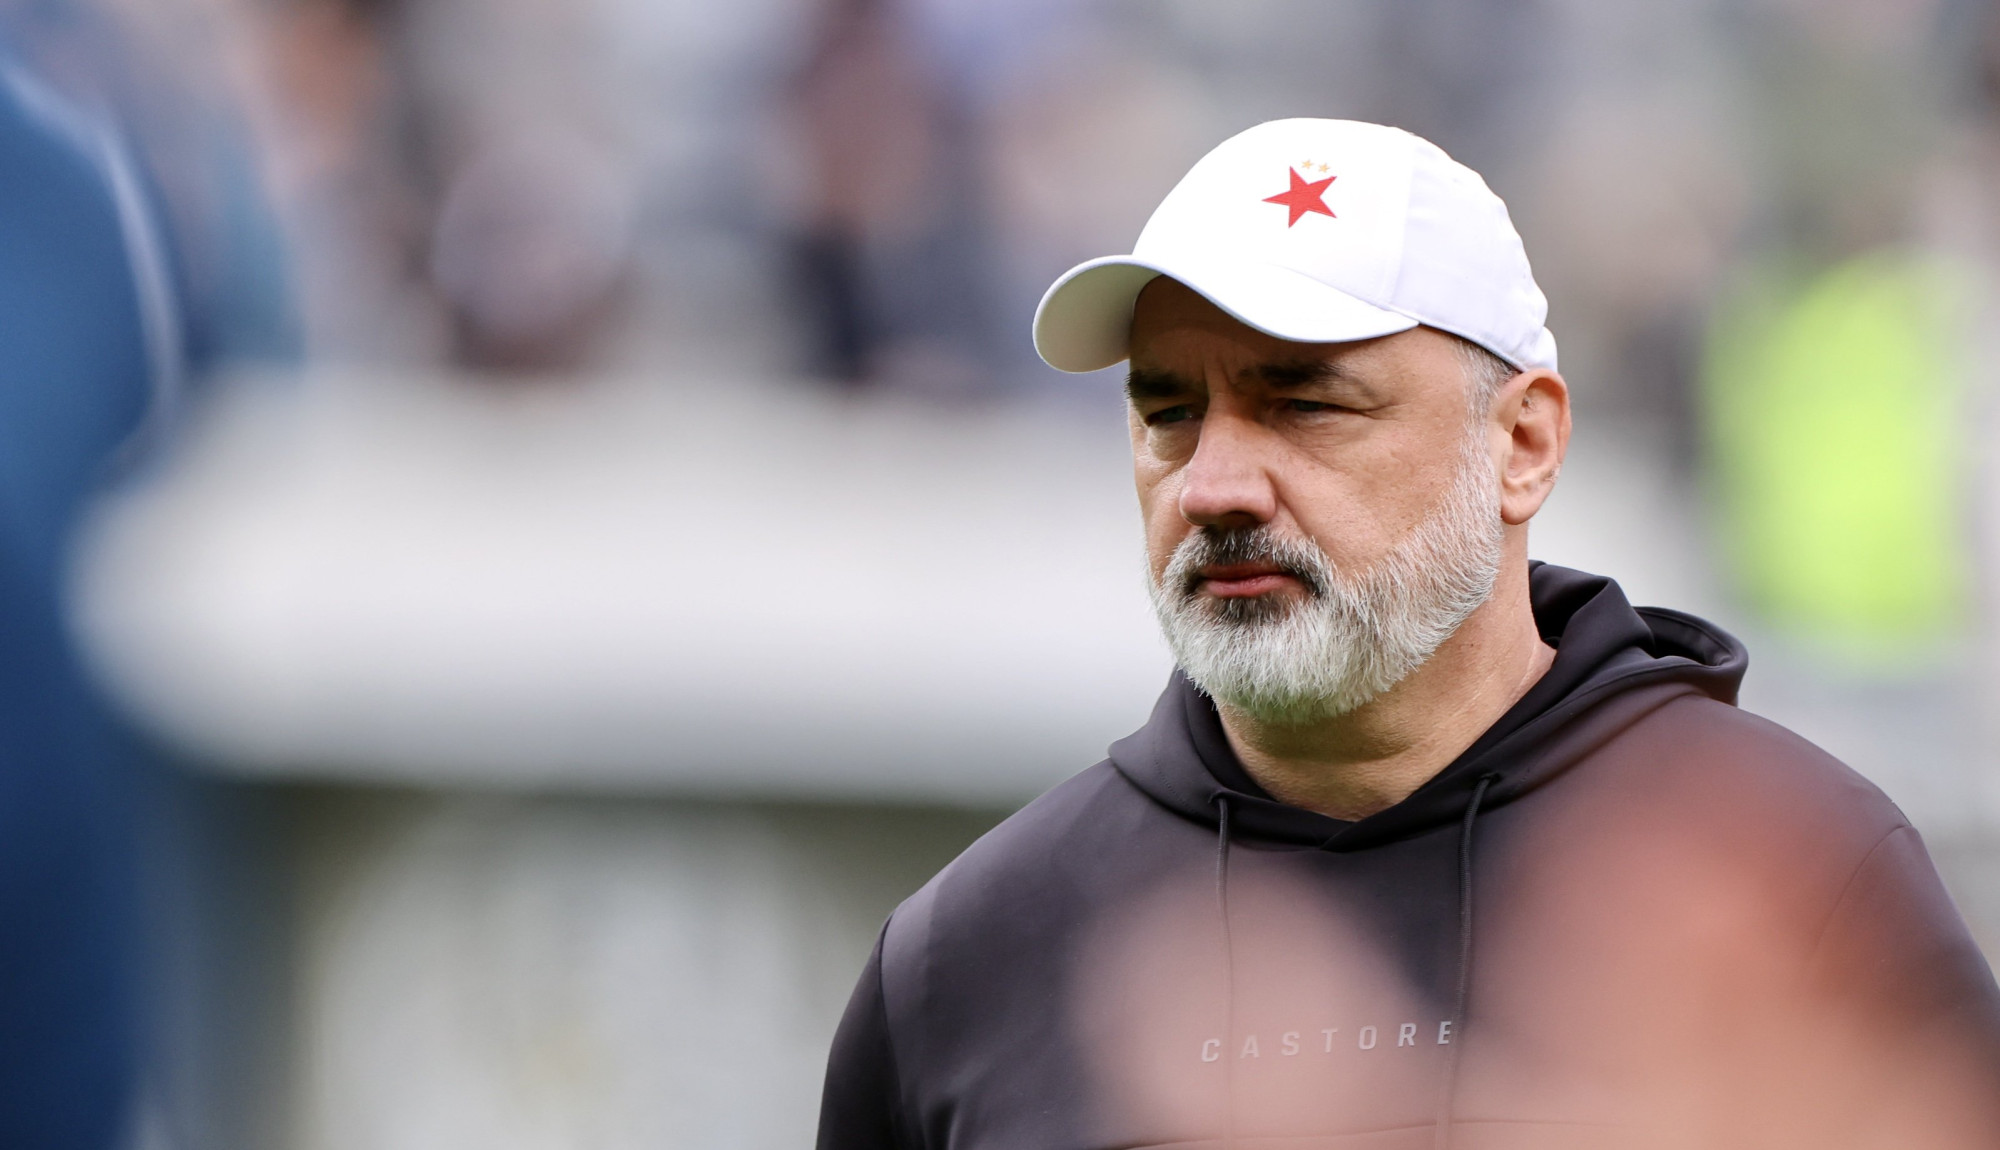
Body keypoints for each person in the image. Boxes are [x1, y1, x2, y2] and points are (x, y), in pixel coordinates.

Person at [814, 119, 2000, 1149]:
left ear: (1521, 445)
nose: (1212, 485)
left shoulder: (1792, 878)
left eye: (1303, 403)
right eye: (1167, 412)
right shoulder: (965, 955)